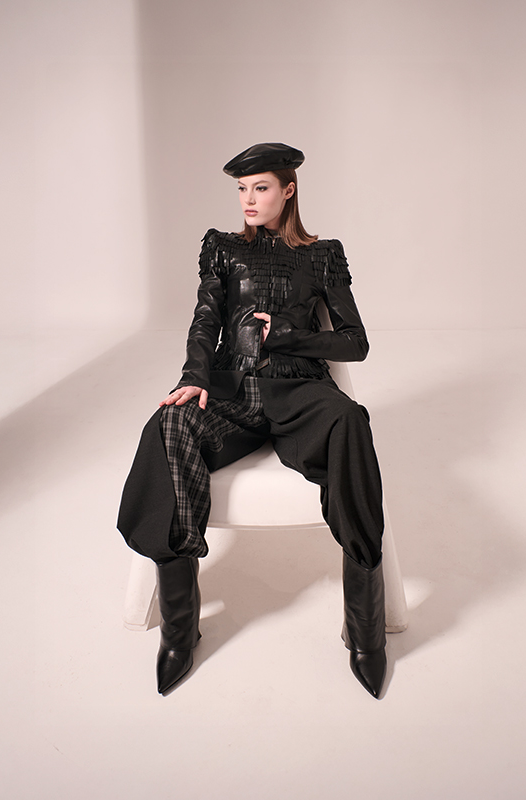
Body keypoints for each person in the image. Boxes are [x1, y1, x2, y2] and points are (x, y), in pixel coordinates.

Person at [117, 143, 387, 698]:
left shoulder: (322, 255)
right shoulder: (222, 248)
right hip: (232, 391)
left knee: (349, 422)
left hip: (299, 391)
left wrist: (289, 336)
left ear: (288, 190)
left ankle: (364, 629)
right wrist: (194, 375)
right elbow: (205, 319)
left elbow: (355, 343)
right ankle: (179, 629)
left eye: (260, 187)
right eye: (242, 189)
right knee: (168, 426)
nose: (248, 199)